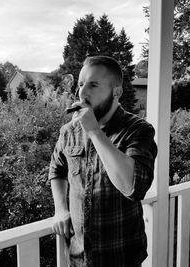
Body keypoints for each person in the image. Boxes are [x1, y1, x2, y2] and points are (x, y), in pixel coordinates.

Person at [49, 56, 157, 267]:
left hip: (122, 256)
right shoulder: (69, 131)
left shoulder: (138, 130)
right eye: (80, 84)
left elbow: (133, 187)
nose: (81, 93)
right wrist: (60, 208)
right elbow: (56, 169)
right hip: (78, 258)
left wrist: (94, 131)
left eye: (93, 85)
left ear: (116, 92)